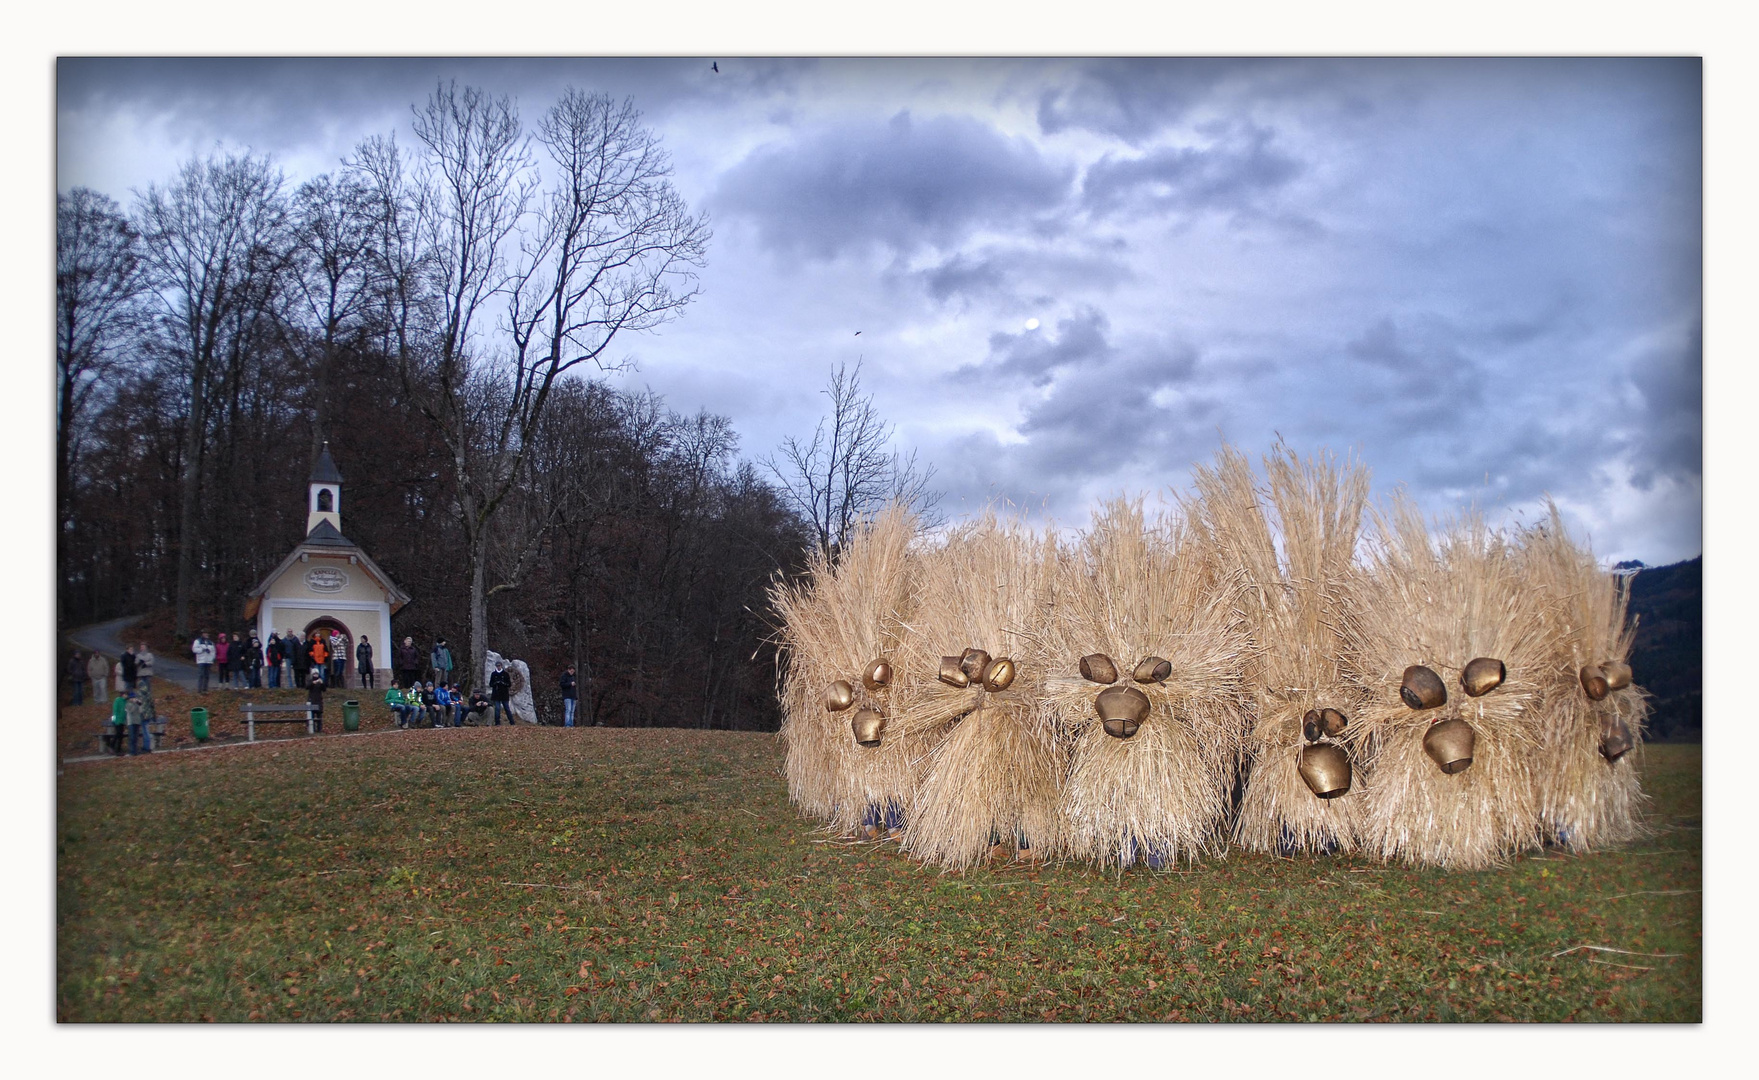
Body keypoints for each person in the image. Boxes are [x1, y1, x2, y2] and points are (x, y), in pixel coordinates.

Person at [489, 661, 513, 726]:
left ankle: (512, 722)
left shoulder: (505, 674)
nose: (498, 667)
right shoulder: (493, 674)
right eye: (497, 666)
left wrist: (503, 683)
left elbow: (509, 684)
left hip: (504, 694)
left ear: (501, 666)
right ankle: (497, 722)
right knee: (497, 709)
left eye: (499, 666)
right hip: (496, 694)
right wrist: (495, 683)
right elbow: (490, 684)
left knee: (507, 708)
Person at [106, 689, 128, 754]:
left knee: (120, 735)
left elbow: (125, 711)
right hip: (117, 720)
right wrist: (114, 720)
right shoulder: (118, 700)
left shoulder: (125, 701)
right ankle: (112, 745)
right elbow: (115, 710)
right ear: (123, 695)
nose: (127, 696)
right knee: (118, 734)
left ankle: (118, 748)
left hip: (122, 720)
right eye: (126, 694)